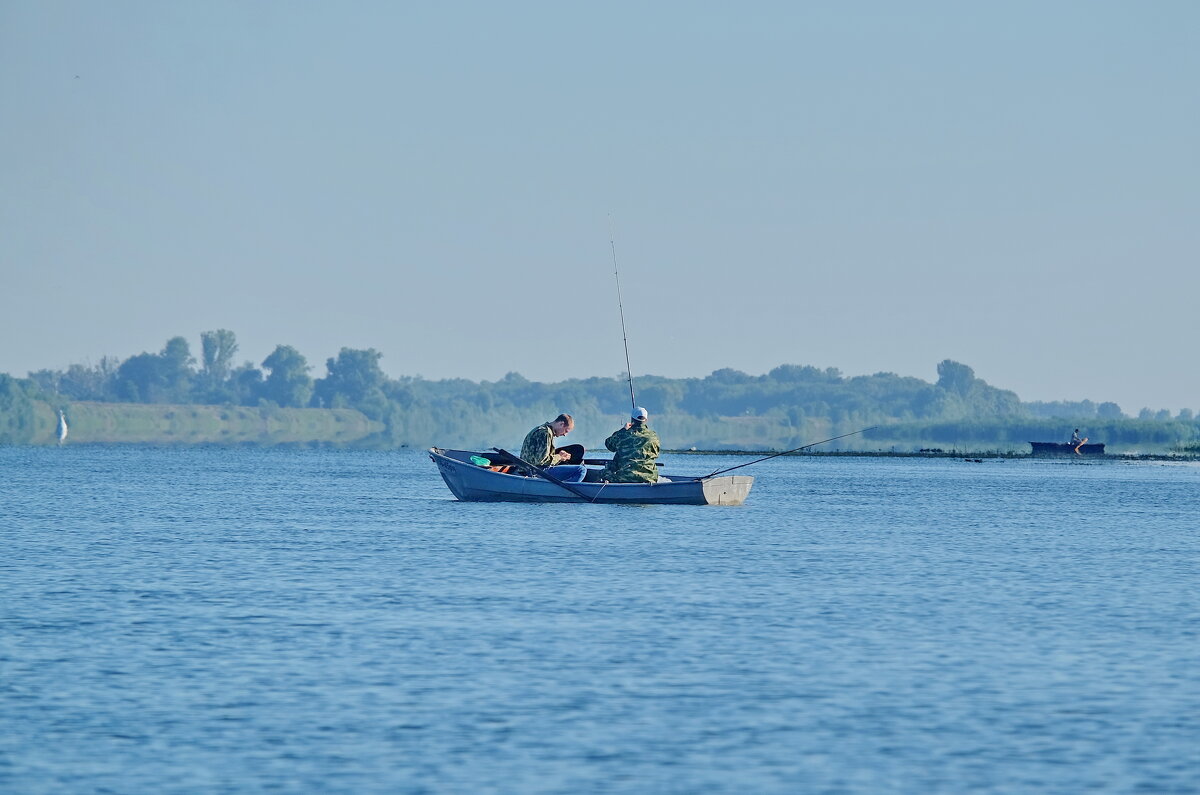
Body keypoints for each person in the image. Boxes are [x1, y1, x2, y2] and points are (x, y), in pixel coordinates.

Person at [600, 406, 661, 483]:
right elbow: (656, 453)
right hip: (649, 478)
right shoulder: (654, 436)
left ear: (632, 419)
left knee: (603, 473)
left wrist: (623, 430)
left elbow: (609, 445)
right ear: (646, 420)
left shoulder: (624, 435)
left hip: (624, 477)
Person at [519, 413, 587, 482]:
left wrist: (559, 457)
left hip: (528, 469)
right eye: (566, 431)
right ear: (561, 424)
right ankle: (565, 492)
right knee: (581, 470)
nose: (565, 435)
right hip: (536, 471)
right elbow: (541, 461)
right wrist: (560, 457)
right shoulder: (545, 433)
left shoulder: (541, 429)